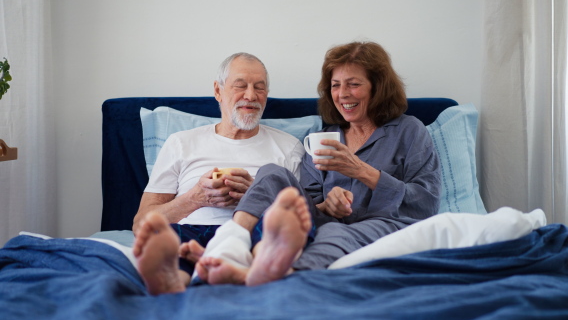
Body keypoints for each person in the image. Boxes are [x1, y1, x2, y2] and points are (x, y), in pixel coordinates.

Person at [134, 41, 442, 291]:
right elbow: (307, 204)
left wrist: (361, 170)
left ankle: (261, 275)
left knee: (333, 237)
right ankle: (228, 248)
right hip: (317, 222)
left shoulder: (410, 132)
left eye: (354, 84)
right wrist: (327, 204)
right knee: (271, 173)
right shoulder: (322, 136)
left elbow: (426, 203)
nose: (343, 94)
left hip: (377, 223)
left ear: (378, 87)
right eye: (336, 85)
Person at [131, 52, 305, 293]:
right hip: (191, 230)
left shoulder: (289, 147)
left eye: (260, 88)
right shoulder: (181, 143)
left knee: (273, 239)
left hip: (252, 233)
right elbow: (140, 224)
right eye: (240, 85)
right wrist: (195, 198)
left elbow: (304, 215)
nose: (251, 95)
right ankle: (177, 281)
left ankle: (228, 268)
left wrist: (256, 194)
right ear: (218, 91)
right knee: (171, 238)